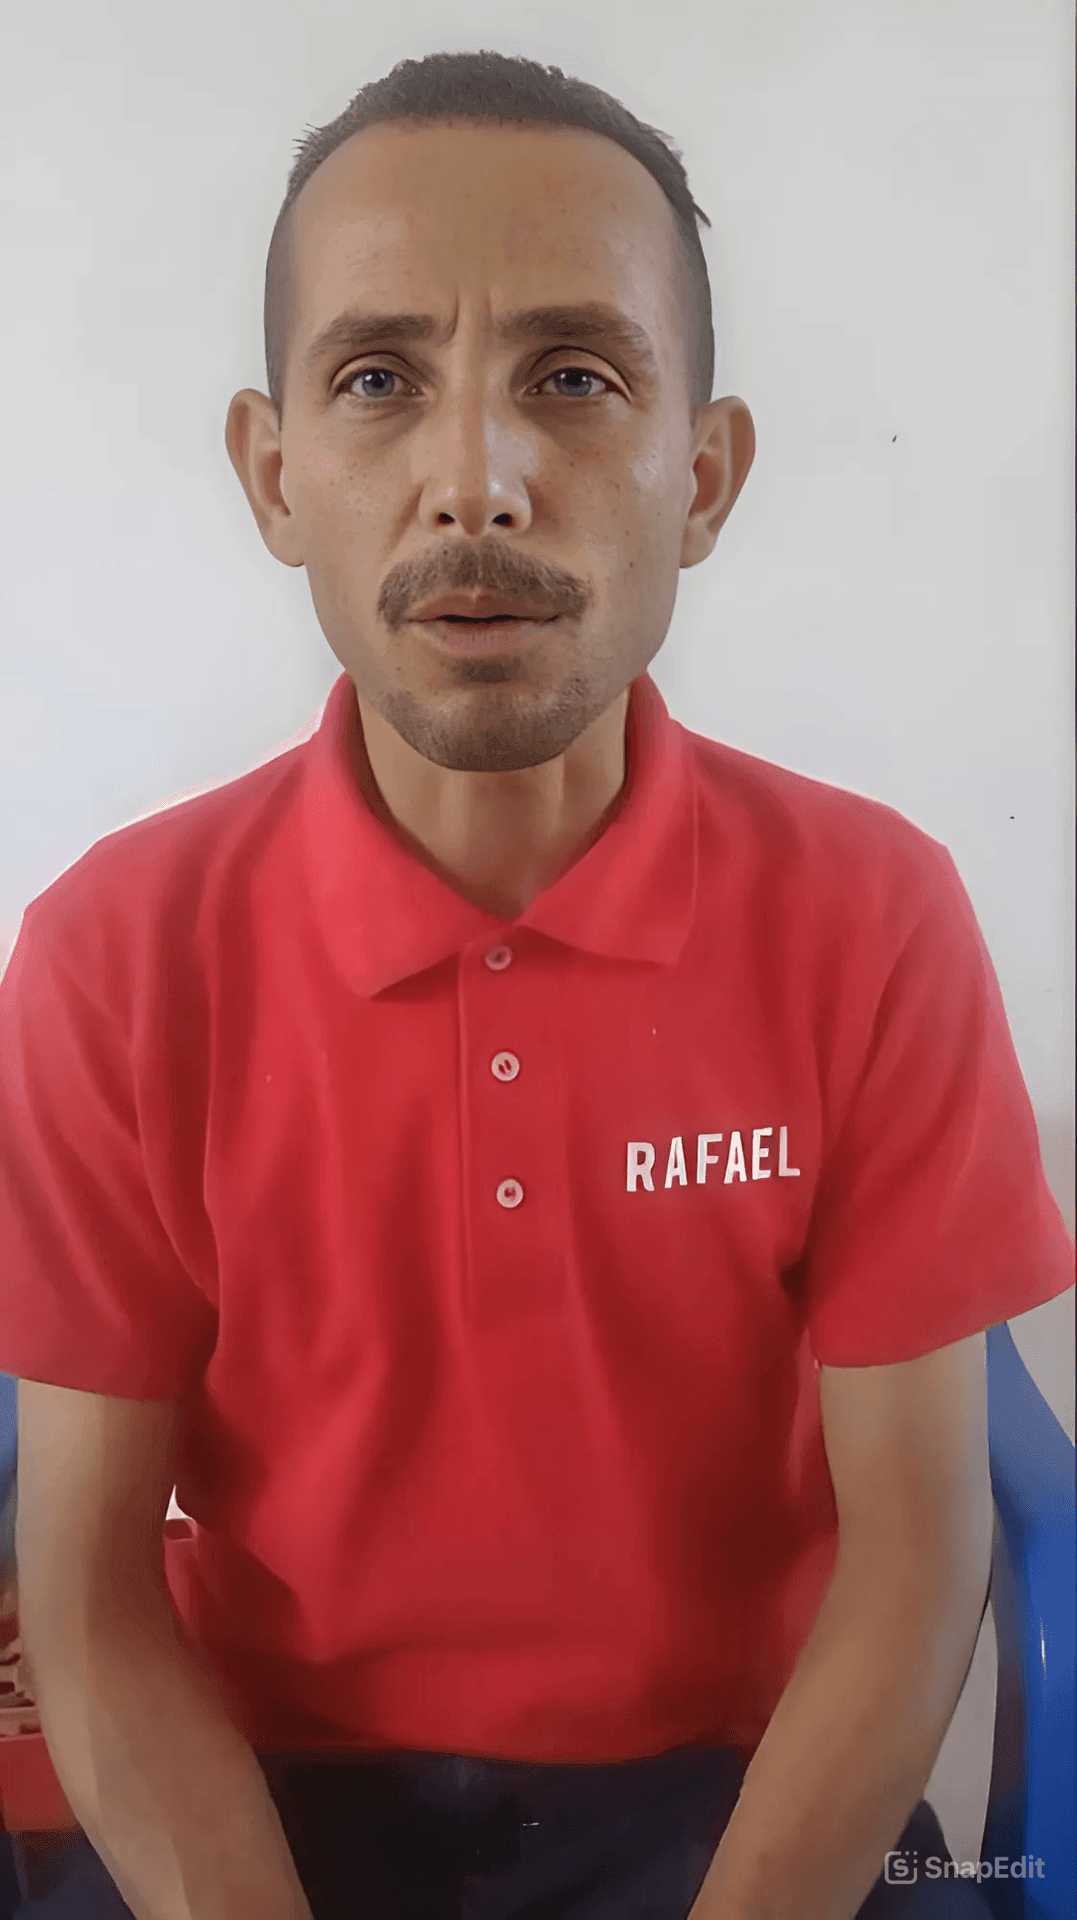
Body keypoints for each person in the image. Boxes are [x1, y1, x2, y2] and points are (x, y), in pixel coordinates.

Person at [0, 46, 1072, 1920]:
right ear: (274, 474)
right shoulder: (112, 956)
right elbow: (84, 1578)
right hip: (257, 1799)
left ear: (705, 473)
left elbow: (917, 1548)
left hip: (742, 1807)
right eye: (377, 381)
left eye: (574, 379)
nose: (474, 481)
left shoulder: (874, 916)